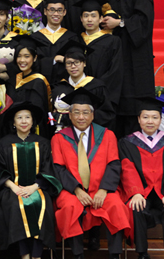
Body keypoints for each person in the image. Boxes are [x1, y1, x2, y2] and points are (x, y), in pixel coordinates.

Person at [51, 89, 131, 259]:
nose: (81, 117)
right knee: (70, 206)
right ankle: (78, 254)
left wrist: (104, 189)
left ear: (93, 115)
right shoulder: (59, 138)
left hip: (101, 189)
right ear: (70, 115)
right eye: (77, 113)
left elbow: (114, 164)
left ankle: (115, 255)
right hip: (72, 190)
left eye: (86, 112)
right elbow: (58, 169)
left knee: (116, 205)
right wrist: (77, 190)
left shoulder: (107, 135)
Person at [119, 97, 164, 259]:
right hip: (141, 192)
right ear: (138, 119)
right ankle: (142, 253)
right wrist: (135, 192)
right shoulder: (127, 142)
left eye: (155, 117)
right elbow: (127, 169)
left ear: (160, 119)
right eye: (145, 117)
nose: (150, 121)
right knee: (135, 207)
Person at [0, 101, 61, 258]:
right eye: (19, 118)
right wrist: (13, 187)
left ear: (33, 121)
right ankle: (24, 255)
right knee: (15, 207)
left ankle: (37, 255)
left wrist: (35, 187)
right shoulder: (3, 144)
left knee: (42, 205)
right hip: (11, 189)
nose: (24, 121)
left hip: (38, 188)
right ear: (14, 122)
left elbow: (49, 170)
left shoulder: (43, 143)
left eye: (27, 117)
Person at [100, 0, 155, 137]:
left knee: (133, 98)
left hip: (134, 54)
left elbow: (144, 22)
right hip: (114, 52)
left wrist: (120, 23)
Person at [75, 0, 123, 118]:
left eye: (93, 15)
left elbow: (115, 71)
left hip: (103, 97)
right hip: (78, 97)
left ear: (101, 18)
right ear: (81, 19)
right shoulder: (75, 41)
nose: (89, 19)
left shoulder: (113, 41)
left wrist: (95, 87)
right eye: (86, 16)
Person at [50, 41, 116, 130]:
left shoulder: (96, 86)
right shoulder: (59, 87)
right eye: (69, 63)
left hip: (90, 133)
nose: (73, 66)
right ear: (65, 66)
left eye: (77, 62)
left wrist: (86, 116)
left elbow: (107, 113)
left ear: (84, 63)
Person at [5, 36, 51, 138]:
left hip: (32, 133)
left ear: (34, 58)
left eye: (27, 56)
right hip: (13, 132)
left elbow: (39, 112)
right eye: (19, 56)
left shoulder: (38, 82)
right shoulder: (13, 80)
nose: (22, 60)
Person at [31, 0, 78, 85]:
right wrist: (54, 59)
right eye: (52, 10)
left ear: (64, 12)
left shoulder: (72, 38)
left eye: (59, 10)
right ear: (45, 11)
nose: (56, 14)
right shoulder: (35, 38)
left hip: (65, 86)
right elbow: (32, 64)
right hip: (39, 86)